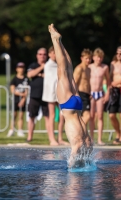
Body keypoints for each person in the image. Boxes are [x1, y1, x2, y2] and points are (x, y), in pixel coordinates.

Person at [48, 23, 92, 168]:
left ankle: (57, 40)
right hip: (73, 105)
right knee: (66, 70)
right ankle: (56, 40)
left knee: (65, 71)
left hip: (73, 106)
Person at [42, 46, 69, 145]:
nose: (54, 55)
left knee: (62, 116)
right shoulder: (48, 65)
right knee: (52, 115)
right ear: (49, 54)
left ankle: (60, 138)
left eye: (55, 53)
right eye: (53, 53)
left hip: (60, 92)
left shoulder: (59, 64)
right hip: (51, 93)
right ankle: (52, 139)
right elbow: (51, 81)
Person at [27, 48, 49, 142]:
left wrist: (39, 74)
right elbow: (30, 74)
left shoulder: (50, 65)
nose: (42, 56)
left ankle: (50, 138)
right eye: (40, 54)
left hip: (47, 95)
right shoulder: (33, 65)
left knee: (48, 117)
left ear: (47, 55)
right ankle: (29, 137)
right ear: (37, 55)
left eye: (44, 54)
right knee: (32, 116)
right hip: (34, 95)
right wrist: (41, 68)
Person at [89, 48, 110, 145]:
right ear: (93, 57)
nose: (99, 59)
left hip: (100, 93)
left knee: (100, 116)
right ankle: (91, 138)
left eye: (101, 57)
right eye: (98, 57)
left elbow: (108, 83)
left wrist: (107, 95)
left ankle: (100, 139)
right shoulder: (89, 67)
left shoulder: (105, 67)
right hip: (91, 93)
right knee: (91, 116)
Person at [7, 62, 29, 137]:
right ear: (16, 69)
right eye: (19, 67)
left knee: (21, 116)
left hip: (23, 100)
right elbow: (12, 90)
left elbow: (27, 90)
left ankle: (20, 130)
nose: (21, 69)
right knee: (14, 115)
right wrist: (22, 94)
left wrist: (23, 99)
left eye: (22, 67)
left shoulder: (26, 79)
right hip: (15, 99)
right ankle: (12, 129)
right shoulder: (14, 79)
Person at [109, 46, 121, 144]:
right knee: (111, 115)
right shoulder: (113, 64)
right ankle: (118, 133)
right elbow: (109, 76)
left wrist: (117, 81)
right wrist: (110, 84)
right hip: (114, 91)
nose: (118, 55)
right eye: (117, 53)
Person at [73, 49, 92, 125]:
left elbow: (88, 82)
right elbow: (74, 83)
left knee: (84, 116)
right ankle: (78, 131)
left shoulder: (89, 69)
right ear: (82, 58)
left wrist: (90, 92)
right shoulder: (79, 68)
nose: (88, 60)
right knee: (87, 116)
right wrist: (75, 95)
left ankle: (81, 134)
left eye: (90, 58)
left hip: (86, 95)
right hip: (80, 94)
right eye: (86, 58)